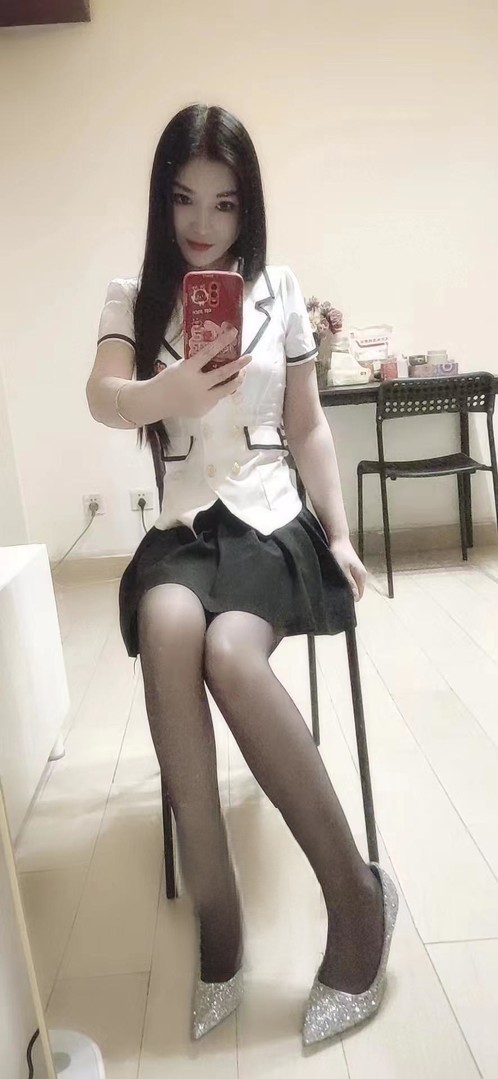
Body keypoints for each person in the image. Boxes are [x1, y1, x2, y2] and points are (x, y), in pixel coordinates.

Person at [86, 103, 398, 1046]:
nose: (202, 222)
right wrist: (165, 392)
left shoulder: (280, 290)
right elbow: (103, 396)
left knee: (228, 647)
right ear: (162, 200)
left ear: (247, 206)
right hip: (186, 525)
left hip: (269, 519)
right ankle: (219, 923)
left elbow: (306, 423)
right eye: (185, 199)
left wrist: (340, 533)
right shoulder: (132, 297)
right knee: (169, 623)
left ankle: (358, 899)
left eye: (224, 204)